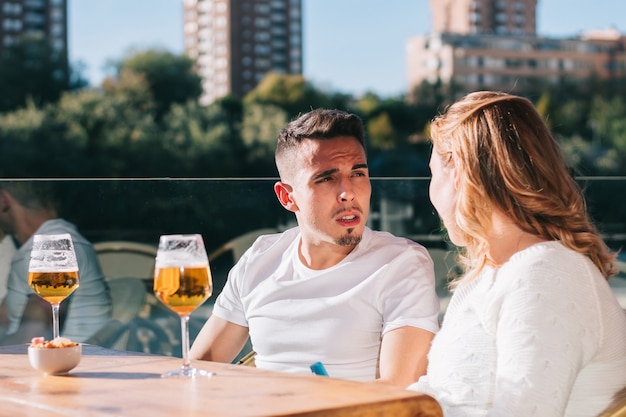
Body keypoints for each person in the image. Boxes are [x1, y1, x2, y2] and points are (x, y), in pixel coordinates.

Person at [408, 91, 626, 416]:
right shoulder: (489, 277)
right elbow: (437, 394)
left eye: (433, 174)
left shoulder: (545, 275)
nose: (431, 191)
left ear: (458, 173)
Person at [190, 108, 440, 386]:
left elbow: (399, 390)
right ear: (287, 197)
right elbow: (199, 367)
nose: (348, 192)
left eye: (358, 174)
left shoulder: (401, 263)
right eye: (326, 178)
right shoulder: (260, 258)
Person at [0, 181, 112, 344]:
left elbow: (34, 336)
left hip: (69, 364)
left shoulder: (52, 250)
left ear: (3, 199)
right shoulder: (51, 241)